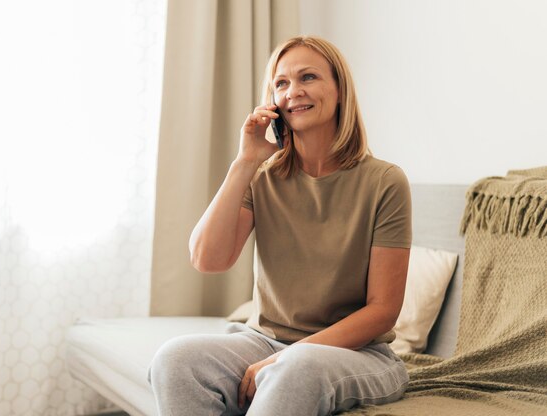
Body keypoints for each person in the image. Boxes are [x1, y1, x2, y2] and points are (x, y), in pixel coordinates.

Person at [148, 35, 412, 415]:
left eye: (308, 77)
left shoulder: (385, 181)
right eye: (281, 83)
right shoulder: (261, 177)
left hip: (359, 353)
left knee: (297, 367)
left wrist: (288, 359)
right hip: (265, 340)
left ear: (339, 91)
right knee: (174, 360)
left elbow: (383, 310)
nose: (293, 92)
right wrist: (244, 162)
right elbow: (207, 259)